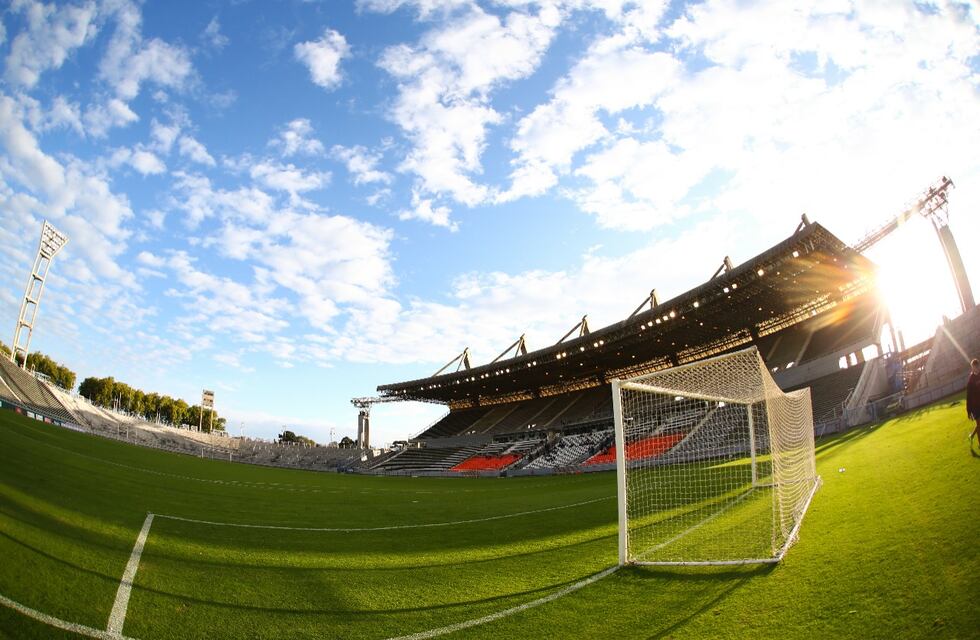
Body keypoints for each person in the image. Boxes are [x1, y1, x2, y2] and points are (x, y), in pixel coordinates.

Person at [968, 358, 980, 445]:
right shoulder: (971, 379)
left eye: (977, 366)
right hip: (975, 406)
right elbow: (968, 396)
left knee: (979, 424)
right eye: (974, 367)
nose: (975, 368)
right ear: (972, 367)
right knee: (979, 424)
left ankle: (972, 436)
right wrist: (969, 411)